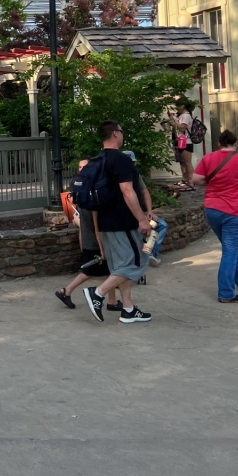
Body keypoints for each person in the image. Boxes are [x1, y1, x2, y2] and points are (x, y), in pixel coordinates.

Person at [80, 121, 154, 324]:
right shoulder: (121, 160)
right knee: (135, 262)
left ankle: (128, 309)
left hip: (105, 223)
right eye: (121, 131)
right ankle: (98, 292)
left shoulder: (97, 160)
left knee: (119, 267)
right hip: (123, 223)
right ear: (115, 134)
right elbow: (127, 190)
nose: (122, 134)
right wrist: (142, 219)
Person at [192, 130, 238, 303]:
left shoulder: (209, 158)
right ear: (235, 143)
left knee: (229, 247)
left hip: (213, 209)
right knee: (229, 251)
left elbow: (196, 179)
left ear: (219, 144)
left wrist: (212, 182)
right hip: (236, 211)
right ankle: (226, 292)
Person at [56, 158, 119, 311]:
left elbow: (82, 222)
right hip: (96, 241)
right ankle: (67, 291)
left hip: (90, 240)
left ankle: (112, 301)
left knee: (108, 271)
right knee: (95, 271)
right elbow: (97, 226)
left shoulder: (83, 193)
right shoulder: (94, 196)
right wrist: (102, 247)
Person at [123, 149, 169, 268]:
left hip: (140, 214)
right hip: (126, 216)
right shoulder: (118, 178)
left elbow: (145, 192)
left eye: (132, 162)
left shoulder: (136, 175)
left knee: (160, 225)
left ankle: (151, 254)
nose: (130, 165)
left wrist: (149, 211)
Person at [171, 102, 195, 191]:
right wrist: (172, 119)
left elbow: (182, 128)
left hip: (186, 142)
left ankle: (191, 182)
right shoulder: (182, 115)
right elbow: (177, 127)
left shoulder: (186, 115)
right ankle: (185, 181)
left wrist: (176, 120)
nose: (177, 107)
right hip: (181, 141)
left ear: (183, 105)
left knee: (188, 163)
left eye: (178, 105)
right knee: (183, 162)